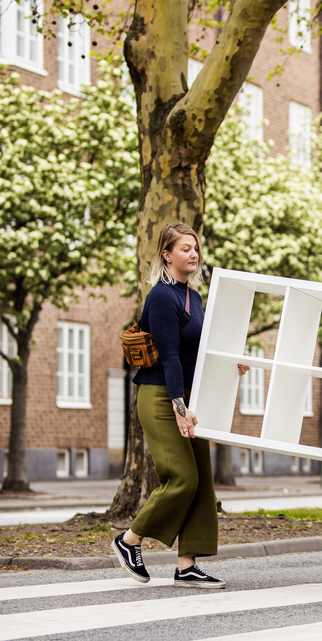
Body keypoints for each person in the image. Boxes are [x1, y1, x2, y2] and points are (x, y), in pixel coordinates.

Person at [112, 223, 248, 588]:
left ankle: (187, 564)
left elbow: (198, 353)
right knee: (182, 478)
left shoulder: (195, 298)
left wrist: (231, 364)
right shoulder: (161, 297)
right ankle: (129, 540)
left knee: (201, 480)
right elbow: (169, 357)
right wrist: (178, 406)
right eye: (185, 248)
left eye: (196, 248)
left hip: (191, 397)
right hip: (161, 397)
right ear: (167, 255)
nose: (193, 253)